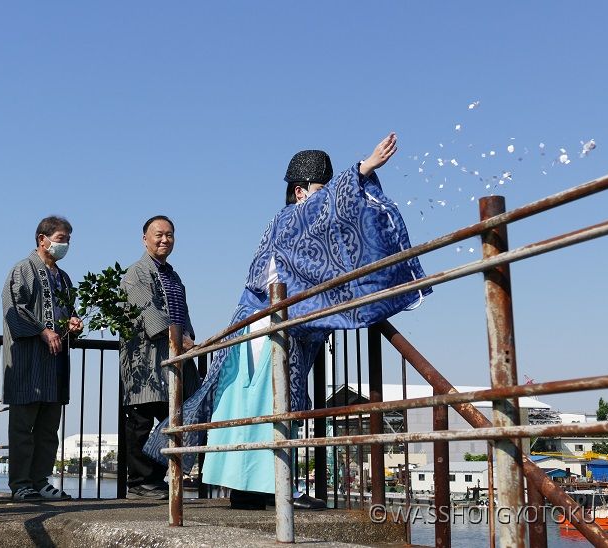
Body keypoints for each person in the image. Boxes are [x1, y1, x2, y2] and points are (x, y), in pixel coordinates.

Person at [144, 133, 430, 510]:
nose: (326, 196)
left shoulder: (288, 222)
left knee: (250, 409)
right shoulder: (293, 217)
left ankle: (253, 491)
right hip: (269, 329)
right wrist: (364, 168)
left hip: (261, 326)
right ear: (300, 192)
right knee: (269, 407)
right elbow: (331, 211)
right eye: (320, 189)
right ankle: (268, 489)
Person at [2, 216, 83, 501]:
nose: (65, 245)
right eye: (61, 239)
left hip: (56, 362)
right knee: (23, 426)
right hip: (28, 361)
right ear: (42, 239)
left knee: (49, 427)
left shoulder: (63, 278)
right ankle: (21, 483)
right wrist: (42, 330)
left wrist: (72, 324)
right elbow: (15, 308)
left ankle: (41, 480)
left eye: (68, 240)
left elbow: (67, 312)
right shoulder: (22, 270)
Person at [119, 215, 200, 499]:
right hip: (145, 361)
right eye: (158, 234)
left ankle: (156, 479)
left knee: (175, 417)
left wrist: (188, 339)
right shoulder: (136, 273)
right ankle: (139, 483)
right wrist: (180, 339)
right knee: (141, 420)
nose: (164, 239)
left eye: (169, 235)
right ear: (145, 238)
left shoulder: (173, 275)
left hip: (174, 357)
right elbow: (148, 313)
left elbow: (184, 315)